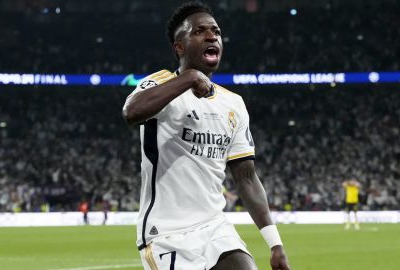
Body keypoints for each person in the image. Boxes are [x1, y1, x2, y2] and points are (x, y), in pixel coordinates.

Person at [122, 2, 290, 269]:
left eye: (216, 31)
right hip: (167, 233)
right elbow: (132, 112)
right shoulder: (159, 83)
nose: (212, 36)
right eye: (200, 31)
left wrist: (275, 244)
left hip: (214, 226)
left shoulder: (233, 104)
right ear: (179, 47)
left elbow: (246, 177)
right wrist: (189, 78)